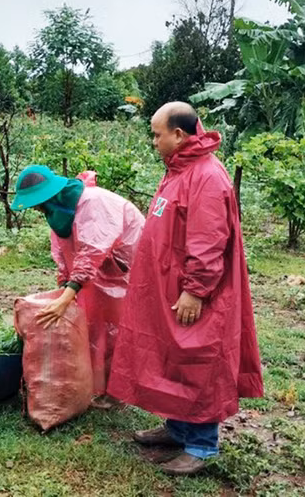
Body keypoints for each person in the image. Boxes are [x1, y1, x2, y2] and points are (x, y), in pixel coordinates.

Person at [106, 102, 264, 475]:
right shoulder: (181, 169)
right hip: (167, 288)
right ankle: (178, 428)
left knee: (198, 362)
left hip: (191, 292)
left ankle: (201, 446)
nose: (154, 141)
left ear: (179, 135)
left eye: (157, 135)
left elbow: (208, 240)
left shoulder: (207, 177)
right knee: (172, 357)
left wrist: (196, 289)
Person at [10, 165, 145, 408]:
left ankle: (118, 392)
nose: (38, 209)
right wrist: (64, 286)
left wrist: (66, 297)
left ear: (49, 196)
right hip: (101, 272)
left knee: (119, 326)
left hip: (127, 268)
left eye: (38, 204)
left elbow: (93, 249)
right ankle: (97, 384)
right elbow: (63, 251)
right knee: (95, 322)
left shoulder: (93, 203)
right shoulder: (57, 212)